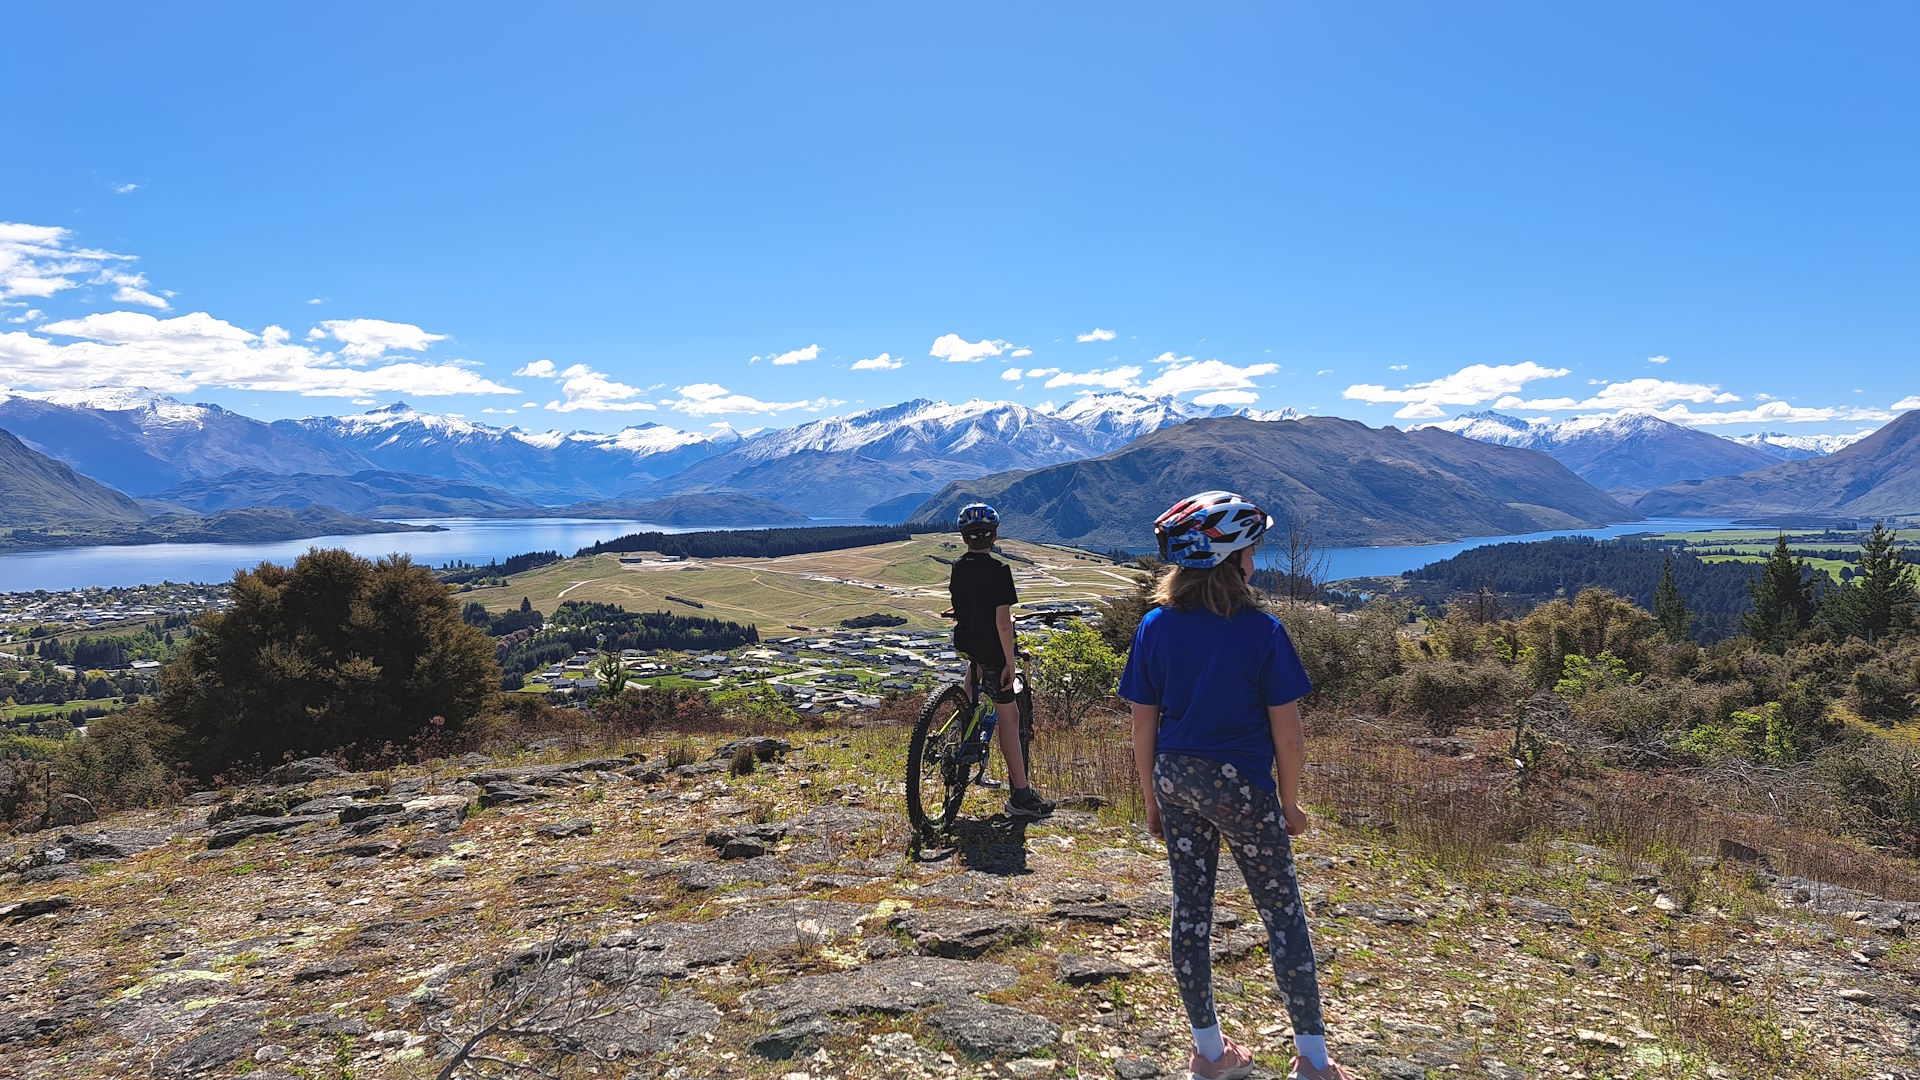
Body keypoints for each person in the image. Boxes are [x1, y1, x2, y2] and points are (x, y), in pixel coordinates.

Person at [1118, 491, 1350, 1080]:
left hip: (1175, 779)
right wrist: (1289, 804)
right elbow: (1288, 736)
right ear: (1234, 559)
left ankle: (1210, 1053)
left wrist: (1152, 799)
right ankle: (1314, 1063)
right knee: (1281, 914)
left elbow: (1144, 724)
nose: (1256, 558)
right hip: (1241, 787)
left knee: (1190, 909)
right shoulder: (1262, 632)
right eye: (1251, 547)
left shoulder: (1153, 627)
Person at [948, 502, 1053, 819]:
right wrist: (1010, 661)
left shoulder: (957, 567)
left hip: (966, 642)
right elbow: (1003, 622)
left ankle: (964, 732)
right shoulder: (999, 572)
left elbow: (964, 605)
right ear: (994, 537)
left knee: (973, 675)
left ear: (964, 539)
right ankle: (1021, 796)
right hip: (992, 649)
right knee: (1010, 718)